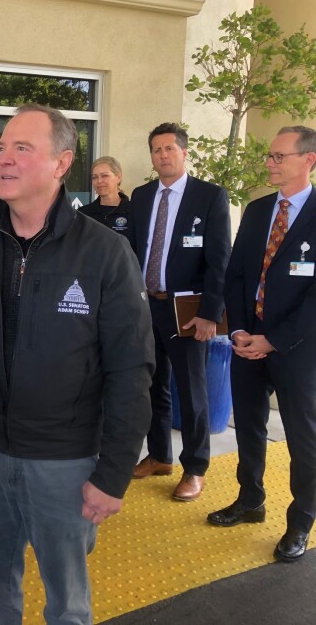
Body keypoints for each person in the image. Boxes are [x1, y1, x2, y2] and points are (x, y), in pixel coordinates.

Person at [0, 104, 153, 624]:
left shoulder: (105, 253)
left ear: (61, 163)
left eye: (22, 148)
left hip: (64, 460)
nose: (4, 158)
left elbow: (131, 372)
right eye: (1, 148)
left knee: (67, 604)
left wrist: (114, 472)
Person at [207, 126, 316, 563]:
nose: (269, 163)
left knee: (303, 439)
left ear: (308, 159)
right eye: (269, 156)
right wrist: (237, 332)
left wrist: (274, 340)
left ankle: (301, 519)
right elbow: (234, 275)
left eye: (279, 156)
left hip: (297, 349)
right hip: (246, 341)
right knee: (248, 429)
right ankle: (250, 499)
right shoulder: (256, 211)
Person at [128, 122, 231, 502]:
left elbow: (220, 261)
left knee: (192, 392)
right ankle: (159, 455)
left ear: (185, 153)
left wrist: (209, 313)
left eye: (170, 148)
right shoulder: (140, 197)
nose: (162, 156)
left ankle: (195, 467)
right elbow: (132, 252)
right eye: (156, 150)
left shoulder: (209, 197)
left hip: (187, 310)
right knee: (151, 385)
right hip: (145, 306)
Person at [79, 156, 131, 241]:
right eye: (94, 177)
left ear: (118, 177)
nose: (99, 181)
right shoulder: (83, 214)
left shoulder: (133, 212)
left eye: (104, 176)